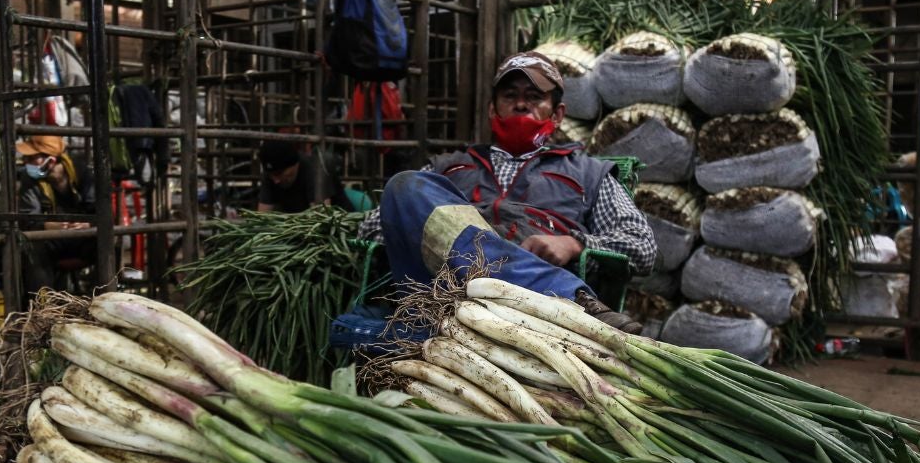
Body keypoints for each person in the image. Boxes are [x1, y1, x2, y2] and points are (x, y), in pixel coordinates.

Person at [358, 51, 656, 332]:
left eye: (535, 97)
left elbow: (642, 247)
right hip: (446, 297)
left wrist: (575, 243)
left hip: (537, 313)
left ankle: (549, 289)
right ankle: (572, 295)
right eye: (510, 96)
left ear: (558, 114)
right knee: (404, 186)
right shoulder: (447, 167)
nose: (521, 105)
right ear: (492, 108)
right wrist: (453, 230)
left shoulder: (587, 172)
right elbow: (371, 228)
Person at [16, 135, 96, 294]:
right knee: (32, 247)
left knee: (107, 242)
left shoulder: (82, 173)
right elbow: (28, 219)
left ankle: (101, 299)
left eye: (32, 157)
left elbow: (100, 212)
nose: (26, 162)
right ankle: (44, 306)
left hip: (82, 239)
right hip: (51, 240)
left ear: (50, 161)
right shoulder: (30, 181)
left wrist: (87, 224)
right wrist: (49, 226)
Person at [256, 140, 352, 213]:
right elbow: (262, 216)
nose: (276, 181)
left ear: (295, 164)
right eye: (271, 175)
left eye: (280, 174)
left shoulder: (314, 170)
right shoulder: (271, 175)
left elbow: (321, 218)